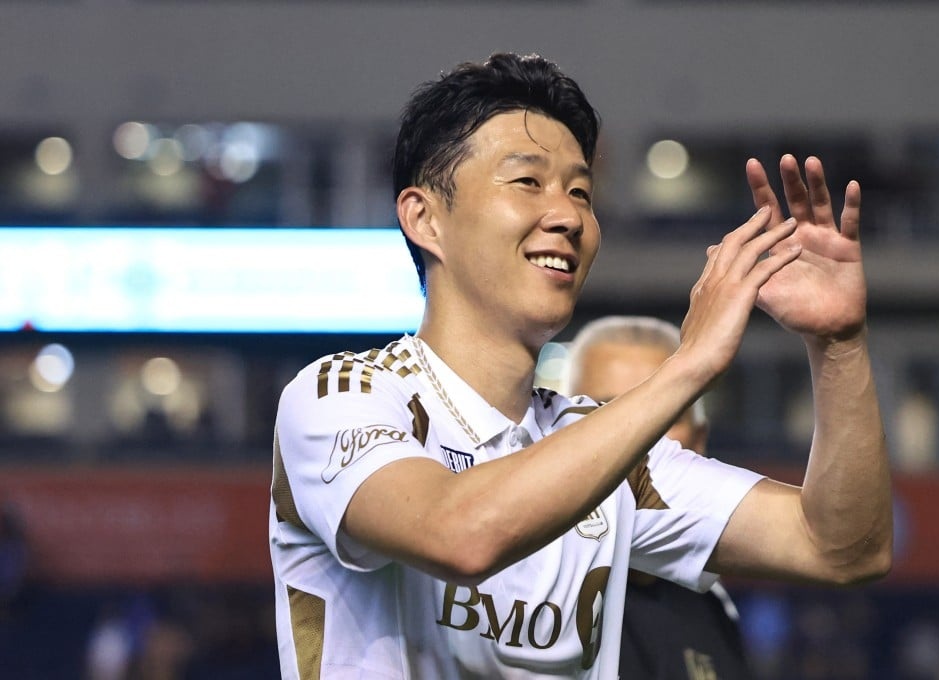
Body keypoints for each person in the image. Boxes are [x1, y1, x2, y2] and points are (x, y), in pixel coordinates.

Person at [269, 52, 892, 679]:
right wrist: (689, 364)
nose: (568, 217)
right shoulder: (339, 396)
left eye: (580, 192)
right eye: (527, 182)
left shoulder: (609, 455)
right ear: (424, 218)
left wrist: (838, 346)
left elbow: (842, 549)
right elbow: (459, 534)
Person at [566, 315, 752, 679]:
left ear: (699, 439)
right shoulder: (530, 586)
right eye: (606, 407)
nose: (639, 432)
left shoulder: (712, 604)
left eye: (666, 411)